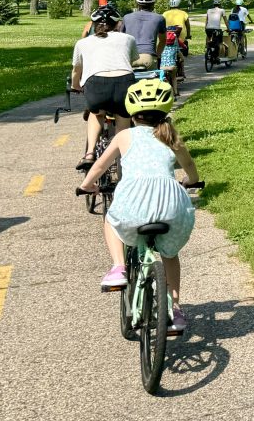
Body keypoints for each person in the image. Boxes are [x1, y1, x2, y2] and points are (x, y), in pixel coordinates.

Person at [79, 77, 199, 335]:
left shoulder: (124, 136)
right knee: (169, 253)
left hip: (135, 200)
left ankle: (119, 267)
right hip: (171, 204)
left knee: (110, 219)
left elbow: (100, 165)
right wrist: (192, 181)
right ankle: (175, 310)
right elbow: (188, 166)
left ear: (133, 115)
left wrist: (87, 185)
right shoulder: (171, 136)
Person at [71, 5, 138, 170]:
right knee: (123, 121)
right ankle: (124, 156)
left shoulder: (82, 43)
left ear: (93, 24)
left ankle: (89, 154)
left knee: (96, 114)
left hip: (96, 85)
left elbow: (76, 71)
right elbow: (132, 61)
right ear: (117, 24)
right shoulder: (128, 39)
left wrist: (76, 86)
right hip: (124, 83)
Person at [121, 0, 165, 70]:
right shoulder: (159, 18)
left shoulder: (126, 17)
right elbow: (163, 40)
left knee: (128, 82)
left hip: (129, 57)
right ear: (153, 3)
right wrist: (157, 56)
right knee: (152, 82)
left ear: (137, 3)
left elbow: (121, 38)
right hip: (148, 57)